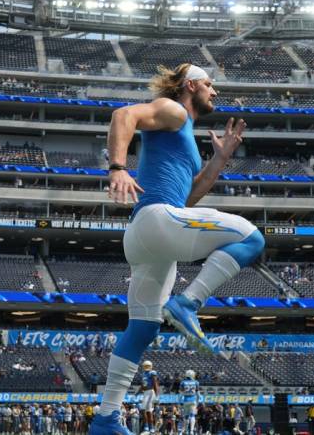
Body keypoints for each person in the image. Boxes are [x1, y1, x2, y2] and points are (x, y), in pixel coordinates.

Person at [90, 63, 264, 435]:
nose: (214, 91)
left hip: (146, 234)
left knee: (143, 327)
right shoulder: (173, 109)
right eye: (209, 84)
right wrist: (117, 168)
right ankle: (188, 303)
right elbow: (124, 115)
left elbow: (188, 198)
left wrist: (219, 159)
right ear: (190, 85)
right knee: (252, 239)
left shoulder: (183, 131)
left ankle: (106, 418)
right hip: (156, 219)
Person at [138, 360, 159, 433]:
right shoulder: (144, 374)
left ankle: (151, 427)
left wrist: (156, 395)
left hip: (151, 392)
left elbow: (155, 384)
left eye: (147, 366)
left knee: (149, 411)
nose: (146, 367)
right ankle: (146, 426)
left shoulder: (152, 373)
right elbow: (143, 385)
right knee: (143, 410)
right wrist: (137, 393)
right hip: (145, 392)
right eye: (145, 366)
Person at [179, 369, 200, 435]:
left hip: (186, 400)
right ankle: (191, 431)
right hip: (193, 400)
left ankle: (185, 430)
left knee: (186, 416)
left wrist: (180, 401)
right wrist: (197, 401)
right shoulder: (196, 382)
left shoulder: (183, 382)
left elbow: (181, 394)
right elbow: (198, 394)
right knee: (192, 415)